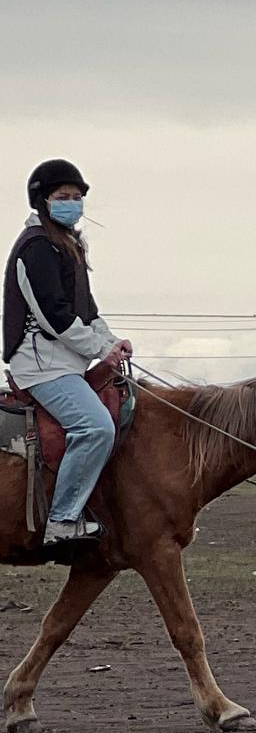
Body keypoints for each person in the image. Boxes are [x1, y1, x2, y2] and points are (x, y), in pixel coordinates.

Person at [2, 160, 133, 544]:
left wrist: (110, 342)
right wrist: (99, 349)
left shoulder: (68, 245)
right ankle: (62, 519)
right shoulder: (37, 248)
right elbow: (53, 317)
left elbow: (87, 310)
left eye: (77, 198)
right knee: (94, 427)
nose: (72, 204)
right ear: (43, 201)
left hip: (65, 362)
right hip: (42, 365)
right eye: (63, 197)